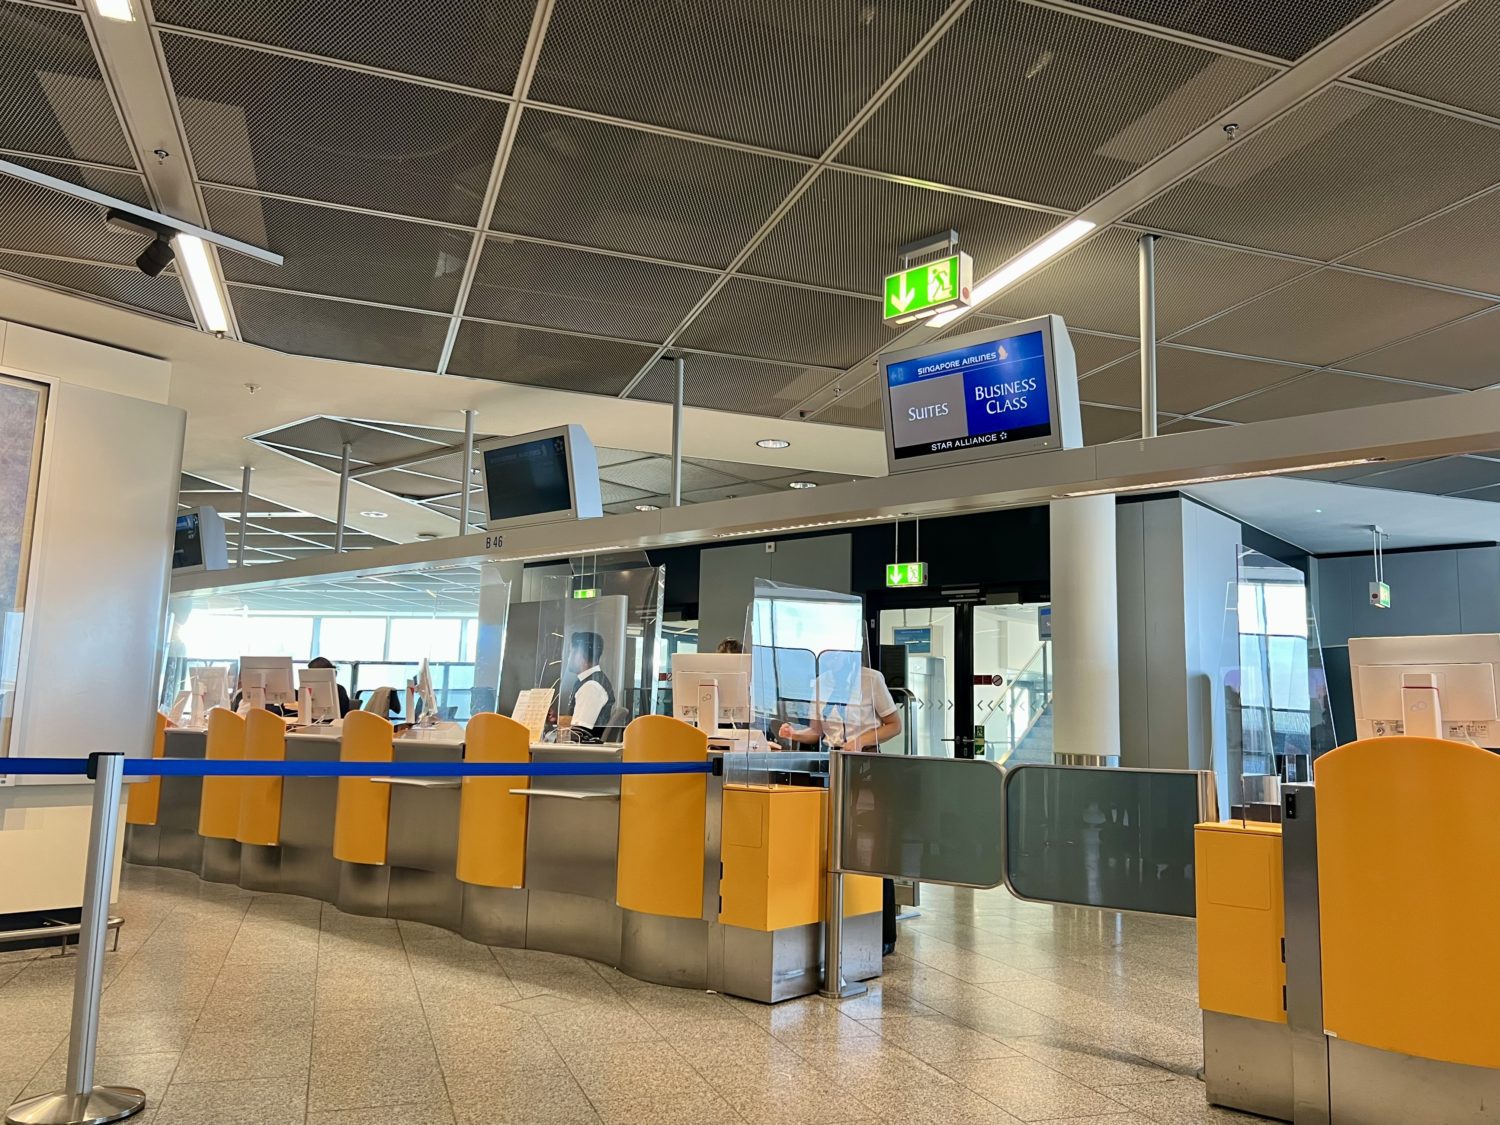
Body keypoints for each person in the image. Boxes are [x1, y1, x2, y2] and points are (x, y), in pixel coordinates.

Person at [778, 660, 903, 955]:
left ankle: (883, 933)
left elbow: (894, 725)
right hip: (833, 763)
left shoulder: (871, 679)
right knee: (836, 843)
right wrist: (793, 733)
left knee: (872, 847)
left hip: (868, 763)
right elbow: (815, 732)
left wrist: (860, 740)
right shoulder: (821, 683)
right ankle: (840, 924)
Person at [567, 631, 614, 743]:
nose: (568, 658)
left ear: (580, 656)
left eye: (570, 652)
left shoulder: (591, 687)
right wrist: (557, 720)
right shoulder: (589, 682)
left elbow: (578, 733)